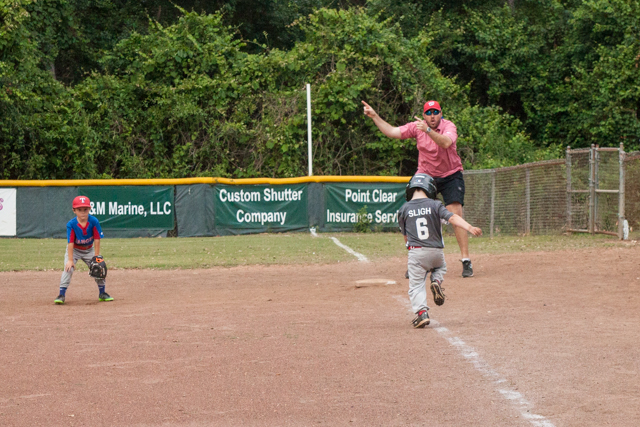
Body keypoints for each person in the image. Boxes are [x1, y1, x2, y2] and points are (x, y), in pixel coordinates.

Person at [362, 99, 475, 277]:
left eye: (435, 112)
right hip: (426, 175)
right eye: (428, 113)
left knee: (455, 212)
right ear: (423, 115)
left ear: (441, 113)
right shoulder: (417, 127)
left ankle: (466, 260)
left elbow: (446, 143)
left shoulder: (448, 126)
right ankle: (417, 261)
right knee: (416, 212)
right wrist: (374, 116)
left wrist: (428, 131)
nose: (432, 116)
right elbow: (392, 132)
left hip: (450, 174)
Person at [398, 173, 482, 328]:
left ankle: (422, 313)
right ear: (430, 188)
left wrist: (409, 251)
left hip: (416, 252)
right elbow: (453, 218)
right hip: (436, 251)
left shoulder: (403, 209)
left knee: (416, 285)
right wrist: (469, 227)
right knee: (441, 267)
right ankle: (436, 281)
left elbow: (406, 237)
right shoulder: (435, 205)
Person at [54, 196, 113, 304]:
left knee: (98, 268)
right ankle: (61, 294)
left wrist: (96, 256)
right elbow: (70, 243)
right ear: (74, 211)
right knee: (69, 268)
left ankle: (102, 293)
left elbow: (97, 239)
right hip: (75, 250)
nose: (82, 213)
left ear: (89, 209)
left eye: (85, 209)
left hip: (89, 250)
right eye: (79, 210)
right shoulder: (71, 224)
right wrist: (70, 260)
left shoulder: (93, 221)